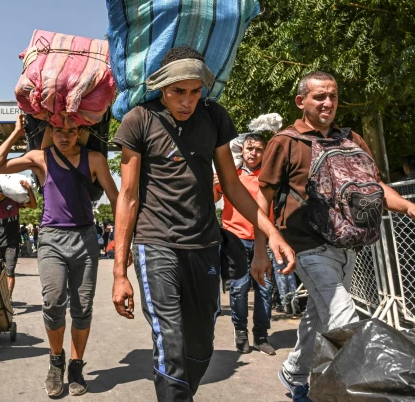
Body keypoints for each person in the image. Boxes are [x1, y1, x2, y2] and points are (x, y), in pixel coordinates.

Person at [111, 47, 295, 402]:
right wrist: (120, 272)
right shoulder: (139, 120)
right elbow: (128, 196)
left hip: (206, 245)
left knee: (200, 347)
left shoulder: (214, 117)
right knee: (170, 339)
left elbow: (232, 185)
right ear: (162, 87)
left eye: (195, 91)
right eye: (178, 91)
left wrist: (271, 233)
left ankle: (181, 393)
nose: (187, 101)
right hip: (157, 243)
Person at [252, 71, 415, 402]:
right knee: (343, 319)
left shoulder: (351, 139)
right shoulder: (286, 141)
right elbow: (261, 200)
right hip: (306, 248)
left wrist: (408, 206)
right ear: (301, 101)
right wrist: (260, 251)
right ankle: (348, 394)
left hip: (348, 245)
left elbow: (375, 187)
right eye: (319, 96)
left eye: (333, 96)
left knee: (319, 314)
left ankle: (294, 373)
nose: (327, 103)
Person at [0, 113, 118, 398]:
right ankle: (56, 362)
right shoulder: (41, 158)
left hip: (85, 238)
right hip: (51, 239)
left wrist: (124, 242)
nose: (65, 136)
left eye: (71, 131)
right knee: (53, 302)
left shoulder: (94, 159)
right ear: (50, 131)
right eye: (58, 130)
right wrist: (17, 133)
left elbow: (117, 199)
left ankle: (77, 367)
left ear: (81, 131)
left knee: (83, 308)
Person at [214, 132, 276, 356]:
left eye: (259, 149)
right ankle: (240, 333)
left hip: (264, 239)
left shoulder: (269, 177)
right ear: (242, 149)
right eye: (250, 148)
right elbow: (214, 198)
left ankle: (261, 336)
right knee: (239, 288)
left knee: (265, 289)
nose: (254, 153)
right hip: (235, 238)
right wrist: (214, 183)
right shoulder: (232, 174)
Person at [0, 181, 37, 297]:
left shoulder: (13, 201)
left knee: (10, 272)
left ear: (1, 194)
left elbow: (33, 205)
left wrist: (29, 190)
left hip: (12, 242)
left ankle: (7, 299)